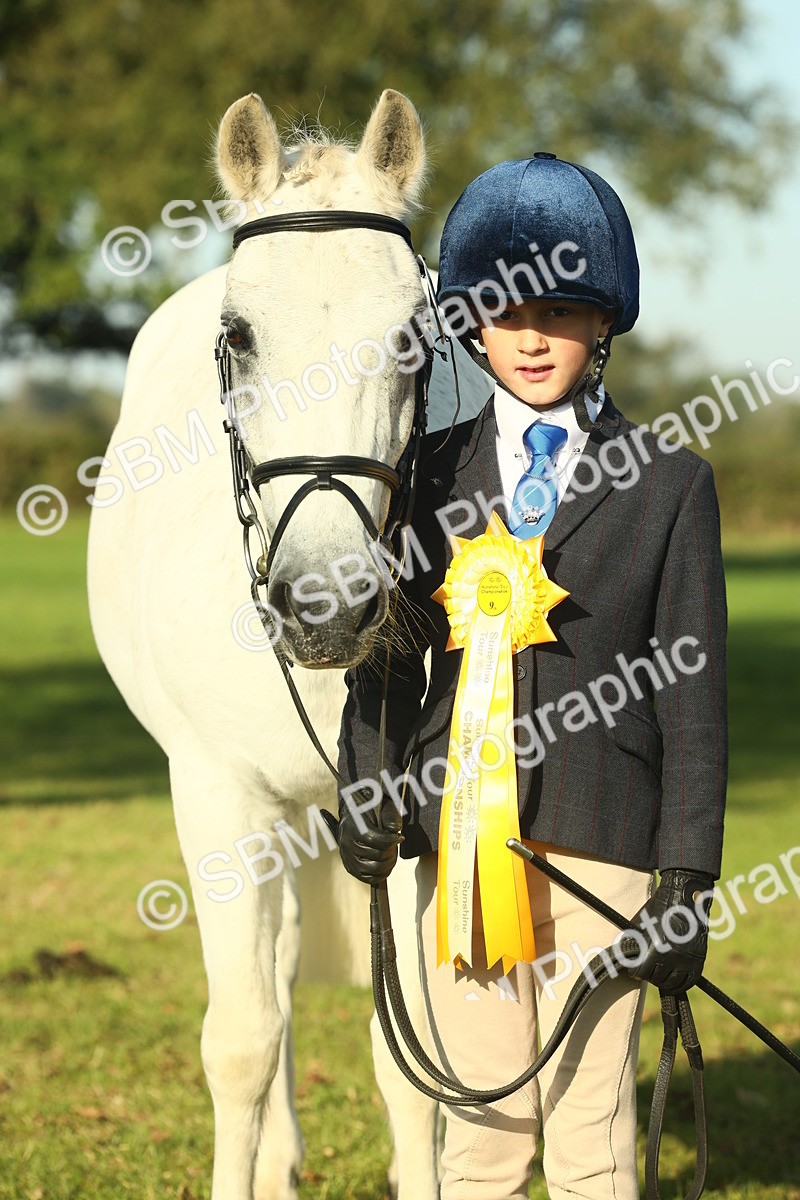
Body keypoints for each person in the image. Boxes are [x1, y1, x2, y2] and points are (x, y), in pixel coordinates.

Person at [334, 154, 728, 1200]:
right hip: (459, 851)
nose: (533, 337)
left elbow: (694, 702)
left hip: (607, 850)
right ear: (472, 326)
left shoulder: (671, 485)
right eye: (507, 313)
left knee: (591, 1134)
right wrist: (365, 784)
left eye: (560, 312)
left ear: (604, 323)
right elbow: (386, 665)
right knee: (482, 1136)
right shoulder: (422, 476)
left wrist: (686, 879)